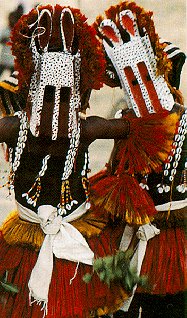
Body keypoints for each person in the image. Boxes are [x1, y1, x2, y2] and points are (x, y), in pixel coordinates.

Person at [0, 3, 179, 318]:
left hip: (74, 239)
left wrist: (140, 74)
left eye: (63, 96)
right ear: (30, 91)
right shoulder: (21, 127)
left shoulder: (85, 128)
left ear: (77, 96)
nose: (54, 106)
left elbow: (154, 129)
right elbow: (154, 127)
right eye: (46, 95)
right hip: (29, 243)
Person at [92, 1, 186, 317]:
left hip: (165, 240)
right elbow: (115, 171)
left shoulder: (134, 121)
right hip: (145, 236)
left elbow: (113, 171)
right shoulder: (133, 120)